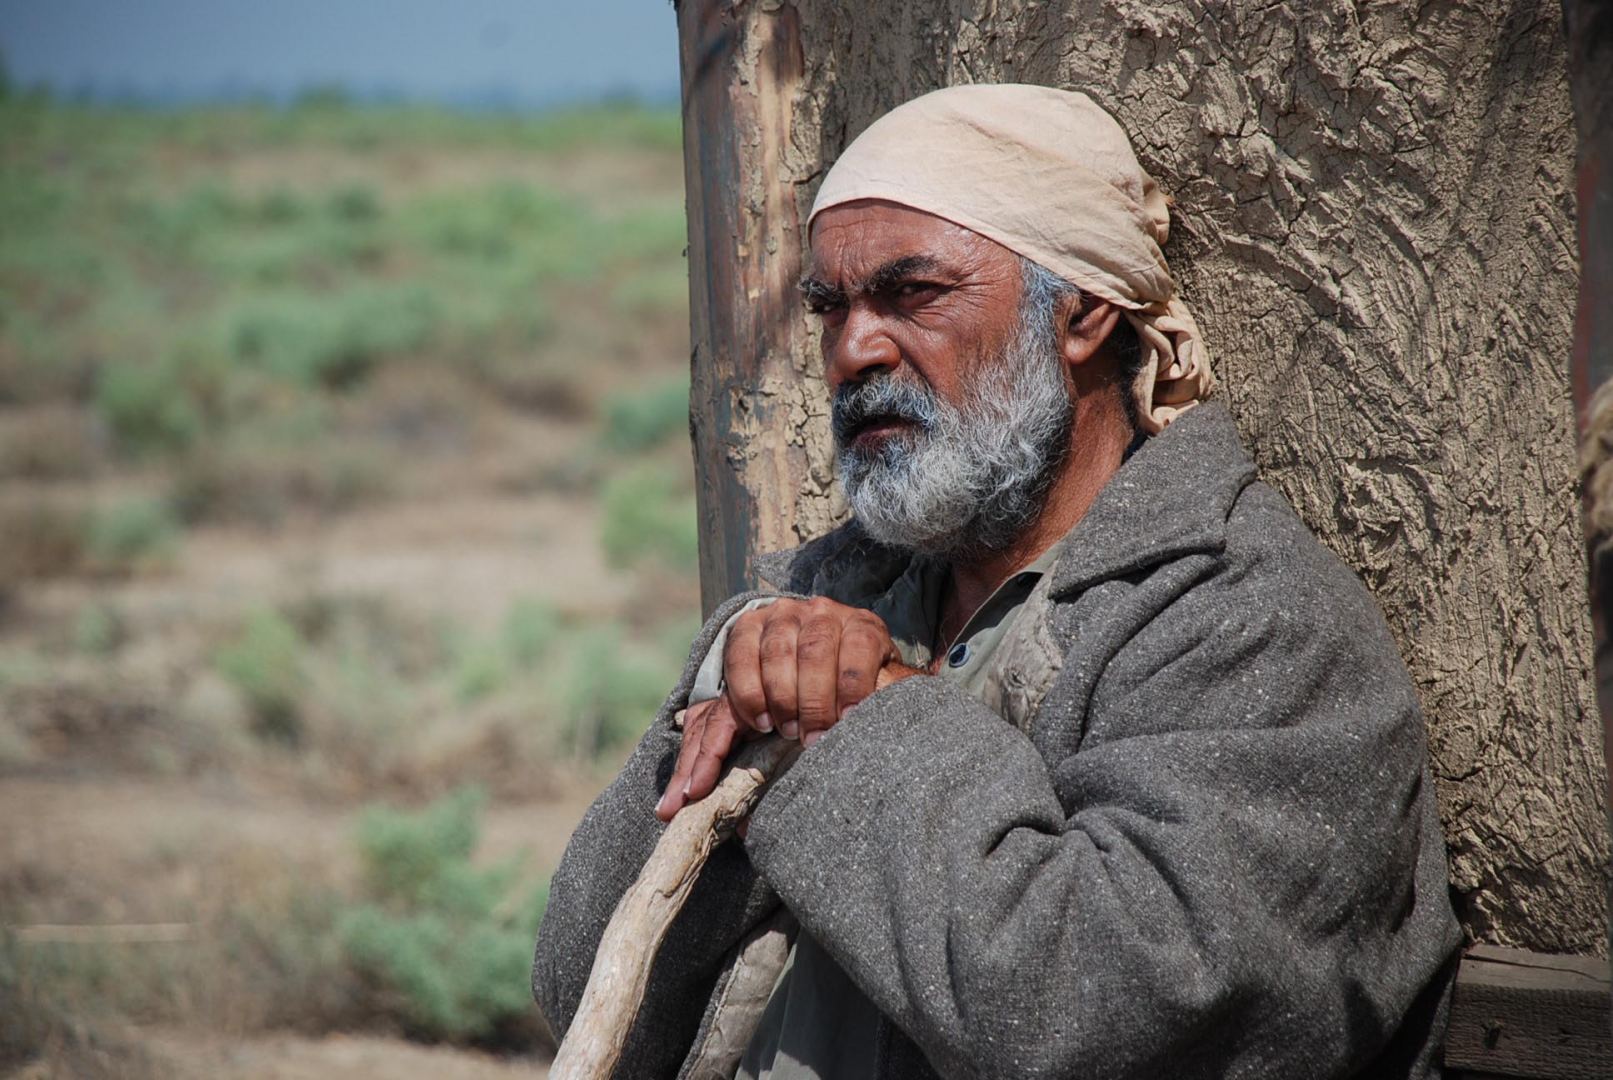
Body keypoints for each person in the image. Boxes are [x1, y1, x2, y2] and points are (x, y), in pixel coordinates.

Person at [532, 84, 1462, 1080]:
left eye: (911, 293)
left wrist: (863, 707)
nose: (854, 350)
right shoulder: (820, 595)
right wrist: (730, 697)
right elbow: (582, 984)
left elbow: (1089, 1015)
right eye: (830, 306)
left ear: (1081, 312)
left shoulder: (1248, 628)